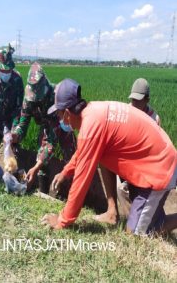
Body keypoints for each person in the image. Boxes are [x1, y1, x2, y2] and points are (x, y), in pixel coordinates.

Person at [41, 79, 177, 235]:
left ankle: (150, 223)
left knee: (136, 234)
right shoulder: (94, 113)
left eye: (58, 114)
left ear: (66, 113)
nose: (59, 120)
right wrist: (66, 171)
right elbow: (84, 151)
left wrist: (62, 220)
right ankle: (114, 212)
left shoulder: (91, 127)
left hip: (160, 168)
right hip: (152, 163)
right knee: (103, 155)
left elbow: (81, 181)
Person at [97, 78, 161, 223]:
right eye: (133, 100)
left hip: (142, 165)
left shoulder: (154, 118)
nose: (135, 104)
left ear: (147, 100)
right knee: (104, 157)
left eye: (138, 100)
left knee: (126, 190)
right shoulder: (125, 111)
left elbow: (152, 152)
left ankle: (134, 221)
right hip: (125, 159)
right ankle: (113, 212)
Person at [11, 62, 76, 193]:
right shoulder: (29, 99)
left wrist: (36, 166)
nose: (36, 100)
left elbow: (51, 139)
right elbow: (23, 123)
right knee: (41, 160)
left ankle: (70, 192)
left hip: (63, 127)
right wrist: (15, 135)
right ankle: (43, 190)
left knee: (72, 160)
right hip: (46, 127)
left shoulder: (56, 96)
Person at [0, 44, 24, 149]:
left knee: (12, 147)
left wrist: (14, 129)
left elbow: (19, 107)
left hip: (12, 118)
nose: (6, 72)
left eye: (8, 70)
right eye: (3, 70)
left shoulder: (17, 79)